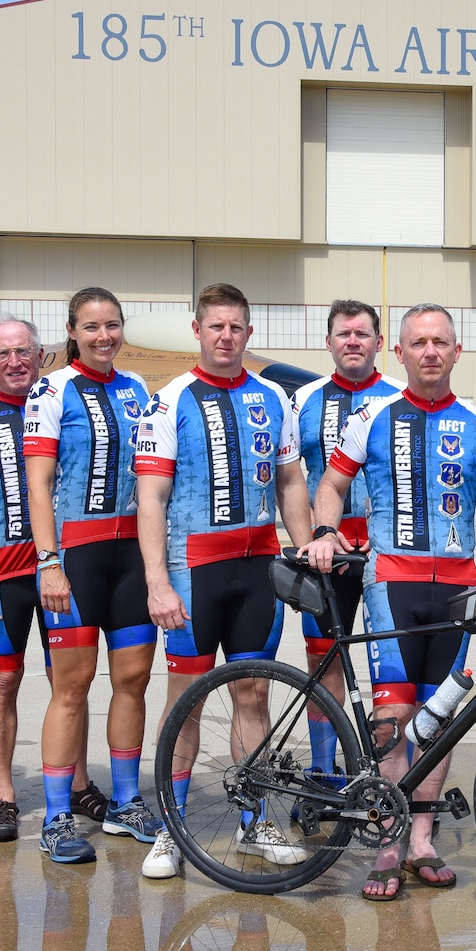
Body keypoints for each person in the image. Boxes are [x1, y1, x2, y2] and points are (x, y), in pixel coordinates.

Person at [301, 303, 476, 900]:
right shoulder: (372, 414)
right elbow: (333, 482)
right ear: (401, 352)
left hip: (457, 592)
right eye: (418, 343)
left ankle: (422, 839)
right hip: (391, 584)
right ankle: (388, 845)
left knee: (438, 720)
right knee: (394, 717)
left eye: (440, 342)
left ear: (456, 351)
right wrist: (323, 531)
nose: (430, 352)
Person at [136, 282, 316, 878]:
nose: (226, 336)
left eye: (236, 327)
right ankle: (170, 825)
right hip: (193, 572)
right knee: (185, 701)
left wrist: (303, 543)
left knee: (254, 694)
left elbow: (291, 481)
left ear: (249, 332)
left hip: (257, 568)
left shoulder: (273, 398)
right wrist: (157, 582)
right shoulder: (168, 402)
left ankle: (253, 820)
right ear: (198, 330)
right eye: (216, 326)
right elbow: (152, 499)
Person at [0, 316, 100, 842]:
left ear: (41, 356)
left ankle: (78, 783)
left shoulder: (64, 408)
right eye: (3, 354)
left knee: (69, 681)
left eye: (24, 351)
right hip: (2, 575)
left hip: (64, 572)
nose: (14, 362)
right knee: (2, 679)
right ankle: (4, 795)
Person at [25, 288, 157, 865]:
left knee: (132, 682)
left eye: (112, 325)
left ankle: (126, 800)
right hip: (75, 559)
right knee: (71, 687)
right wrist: (48, 562)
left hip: (130, 558)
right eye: (91, 327)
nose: (103, 336)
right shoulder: (50, 389)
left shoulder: (136, 389)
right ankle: (57, 815)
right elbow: (39, 484)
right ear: (72, 331)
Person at [292, 299, 403, 781]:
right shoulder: (303, 400)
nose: (353, 342)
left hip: (383, 554)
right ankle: (322, 771)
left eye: (362, 334)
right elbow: (288, 478)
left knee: (389, 670)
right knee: (324, 661)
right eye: (344, 334)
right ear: (329, 341)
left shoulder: (402, 397)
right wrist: (311, 538)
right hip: (326, 555)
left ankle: (387, 774)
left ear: (380, 343)